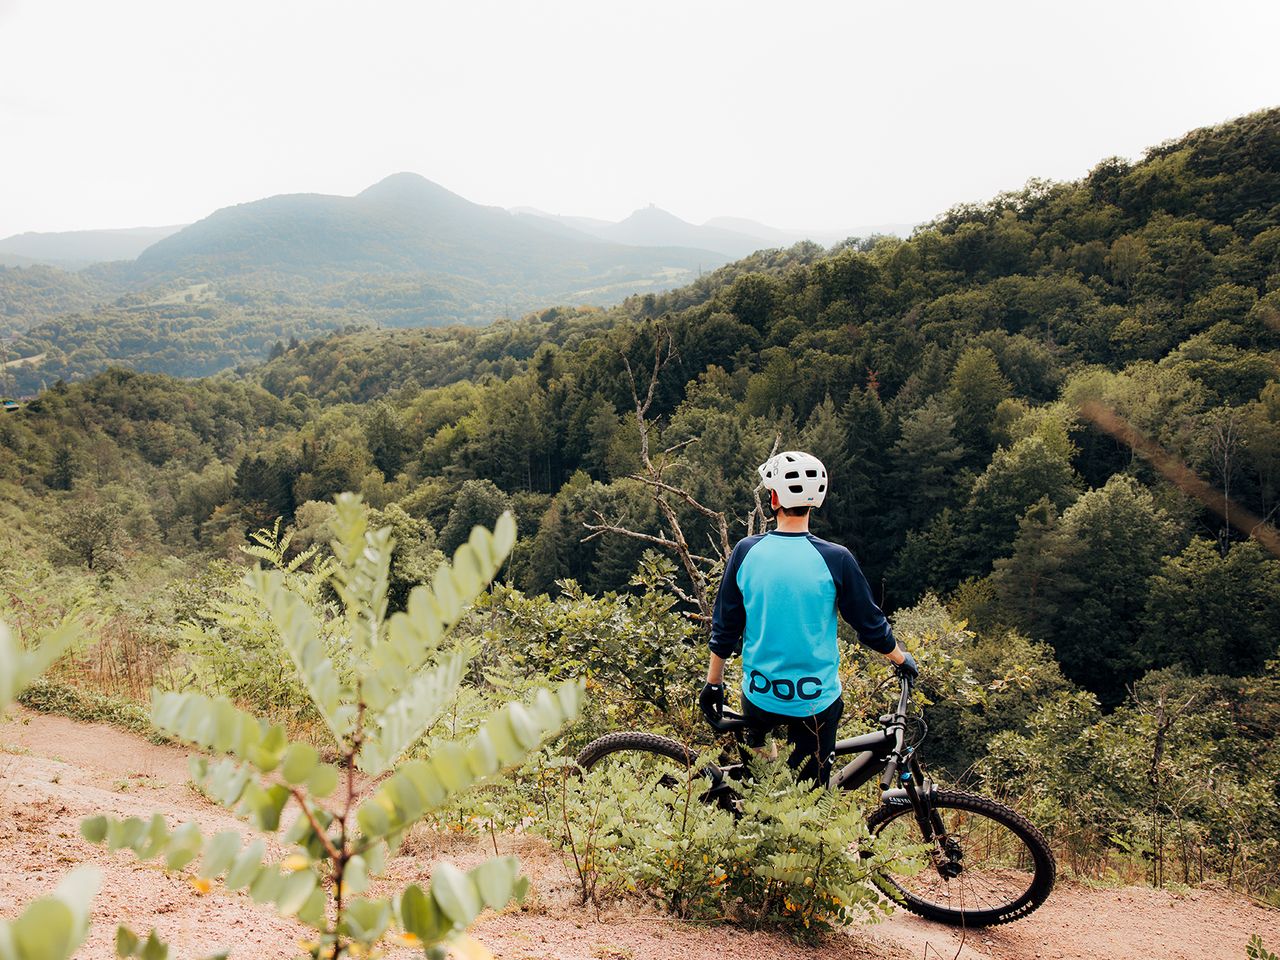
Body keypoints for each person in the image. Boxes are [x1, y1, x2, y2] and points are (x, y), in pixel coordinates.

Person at [699, 450, 917, 788]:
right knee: (810, 796)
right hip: (815, 702)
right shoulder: (836, 559)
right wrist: (901, 659)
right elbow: (871, 627)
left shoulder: (746, 551)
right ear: (816, 502)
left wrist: (713, 684)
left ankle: (757, 806)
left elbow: (726, 627)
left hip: (759, 696)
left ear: (773, 499)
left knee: (762, 781)